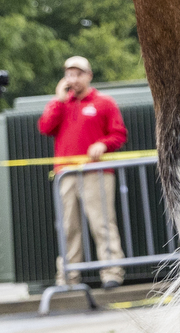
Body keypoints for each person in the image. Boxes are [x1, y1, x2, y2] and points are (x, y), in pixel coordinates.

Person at [39, 56, 127, 287]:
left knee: (102, 223)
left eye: (78, 73)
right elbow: (45, 127)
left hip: (96, 172)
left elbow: (119, 134)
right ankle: (68, 277)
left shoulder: (104, 102)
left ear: (89, 76)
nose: (73, 79)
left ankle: (112, 273)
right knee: (68, 227)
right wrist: (58, 100)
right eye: (69, 74)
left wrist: (104, 144)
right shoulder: (60, 104)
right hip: (65, 174)